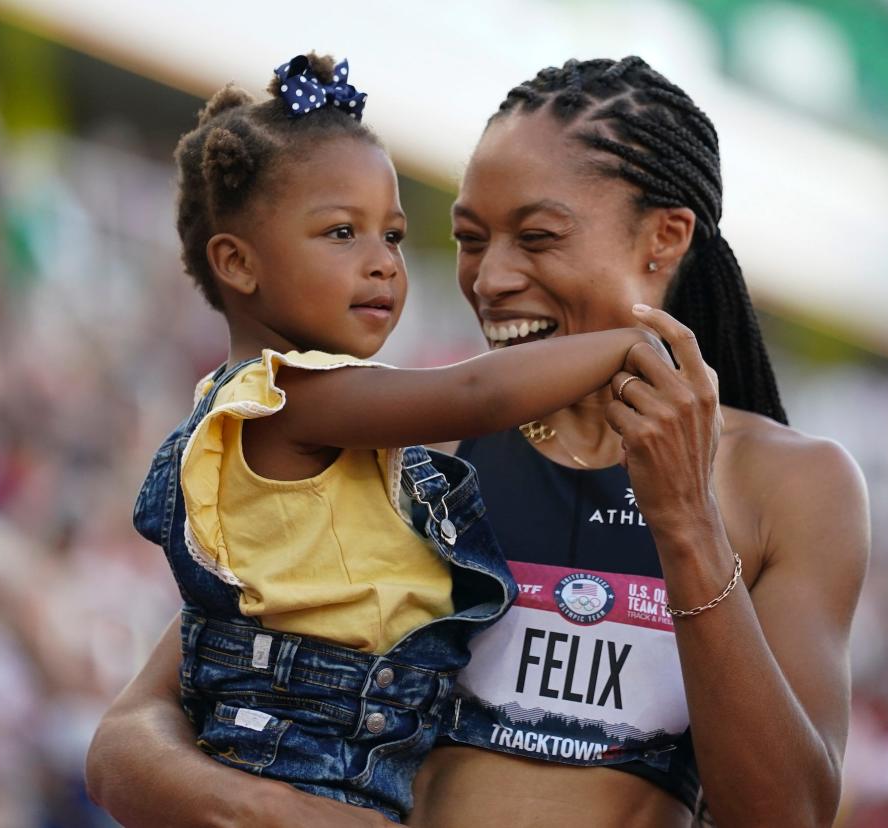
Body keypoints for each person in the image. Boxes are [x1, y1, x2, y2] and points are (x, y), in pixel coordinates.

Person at [87, 56, 870, 827]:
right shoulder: (414, 443)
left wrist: (687, 524)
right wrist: (271, 809)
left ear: (663, 240)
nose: (490, 278)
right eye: (468, 239)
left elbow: (787, 812)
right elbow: (128, 741)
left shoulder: (790, 486)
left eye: (536, 237)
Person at [135, 51, 670, 823]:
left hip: (355, 739)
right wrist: (629, 342)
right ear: (237, 264)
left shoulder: (314, 408)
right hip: (299, 744)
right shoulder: (285, 399)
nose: (384, 264)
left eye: (392, 235)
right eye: (342, 232)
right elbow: (474, 392)